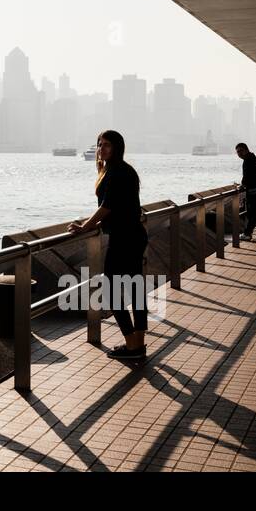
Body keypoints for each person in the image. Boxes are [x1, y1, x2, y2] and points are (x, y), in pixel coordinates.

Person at [69, 130, 148, 362]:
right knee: (136, 289)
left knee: (113, 291)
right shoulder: (122, 170)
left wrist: (85, 226)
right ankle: (138, 343)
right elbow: (121, 207)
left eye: (107, 145)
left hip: (124, 238)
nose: (101, 149)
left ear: (117, 148)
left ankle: (132, 344)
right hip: (133, 235)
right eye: (99, 145)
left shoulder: (115, 172)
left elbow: (107, 206)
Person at [236, 142, 256, 240]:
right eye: (237, 152)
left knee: (254, 213)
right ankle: (251, 233)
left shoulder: (247, 160)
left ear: (246, 150)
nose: (239, 153)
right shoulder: (253, 158)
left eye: (241, 151)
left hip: (255, 191)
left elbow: (247, 175)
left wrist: (242, 185)